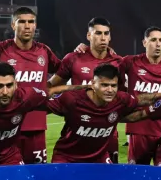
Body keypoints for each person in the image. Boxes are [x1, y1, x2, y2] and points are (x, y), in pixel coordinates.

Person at [47, 63, 161, 163]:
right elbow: (40, 105)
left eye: (113, 86)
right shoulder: (71, 100)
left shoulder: (120, 99)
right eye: (104, 85)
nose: (110, 90)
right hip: (67, 158)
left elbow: (145, 99)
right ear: (93, 84)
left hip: (99, 159)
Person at [0, 7, 61, 164]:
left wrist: (48, 88)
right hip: (5, 127)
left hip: (36, 126)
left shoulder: (44, 51)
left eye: (31, 22)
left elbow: (64, 71)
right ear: (13, 25)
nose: (27, 26)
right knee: (6, 176)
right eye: (22, 22)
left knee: (37, 177)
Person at [49, 17, 122, 161]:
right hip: (76, 130)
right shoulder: (73, 58)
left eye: (106, 34)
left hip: (107, 133)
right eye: (98, 33)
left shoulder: (119, 62)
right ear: (89, 35)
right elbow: (52, 85)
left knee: (108, 179)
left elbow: (122, 95)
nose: (103, 38)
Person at [117, 26, 161, 165]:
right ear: (144, 42)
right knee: (137, 173)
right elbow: (108, 63)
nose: (157, 44)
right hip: (139, 128)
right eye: (153, 40)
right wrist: (86, 48)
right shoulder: (131, 62)